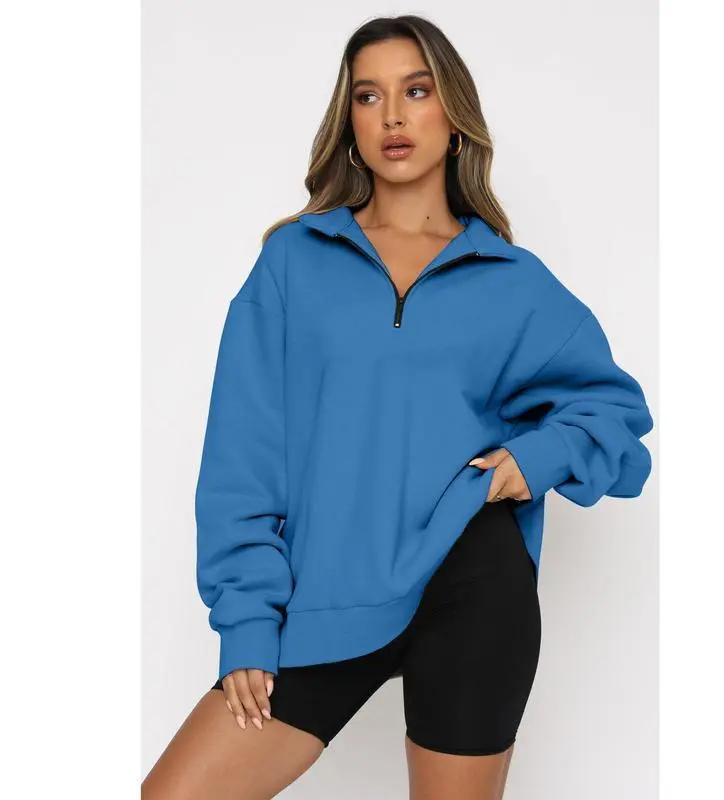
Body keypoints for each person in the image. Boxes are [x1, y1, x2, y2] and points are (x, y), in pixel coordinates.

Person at [142, 14, 654, 800]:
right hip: (325, 597)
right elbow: (243, 457)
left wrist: (530, 462)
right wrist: (247, 620)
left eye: (415, 92)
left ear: (453, 116)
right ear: (348, 123)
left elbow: (616, 414)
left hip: (474, 589)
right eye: (368, 96)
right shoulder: (294, 262)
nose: (391, 116)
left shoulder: (512, 281)